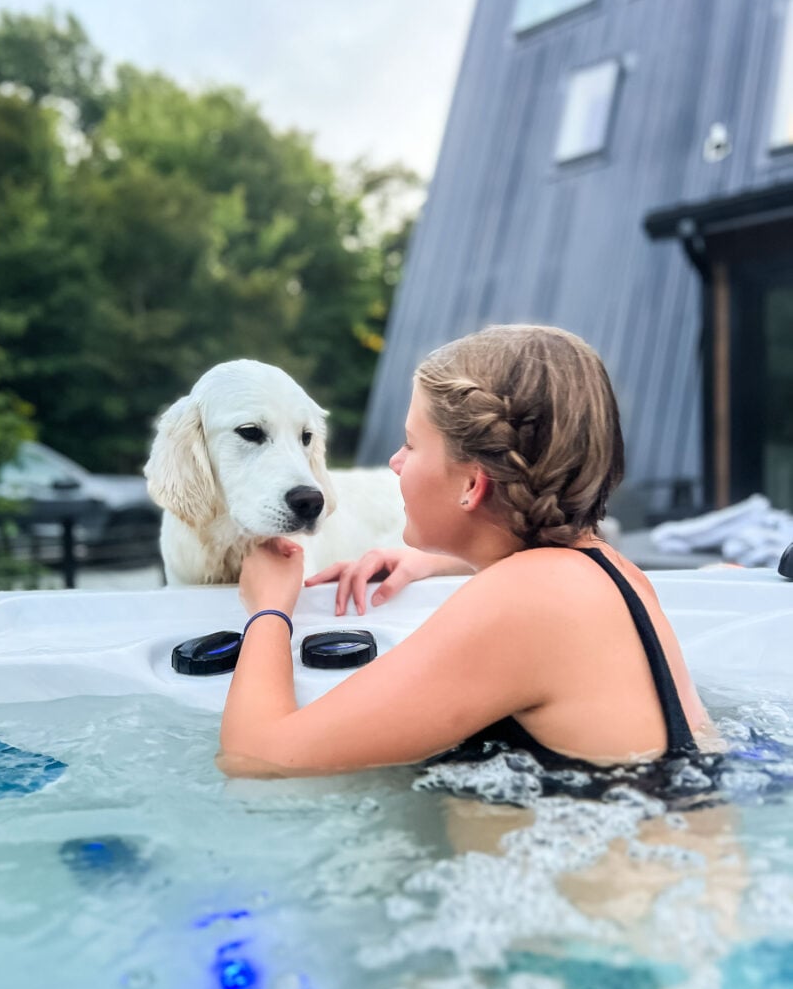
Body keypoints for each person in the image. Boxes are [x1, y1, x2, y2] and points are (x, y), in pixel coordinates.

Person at [218, 324, 715, 778]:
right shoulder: (611, 569)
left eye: (411, 445)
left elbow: (257, 757)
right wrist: (438, 560)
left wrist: (269, 610)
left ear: (473, 482)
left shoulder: (521, 603)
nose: (394, 462)